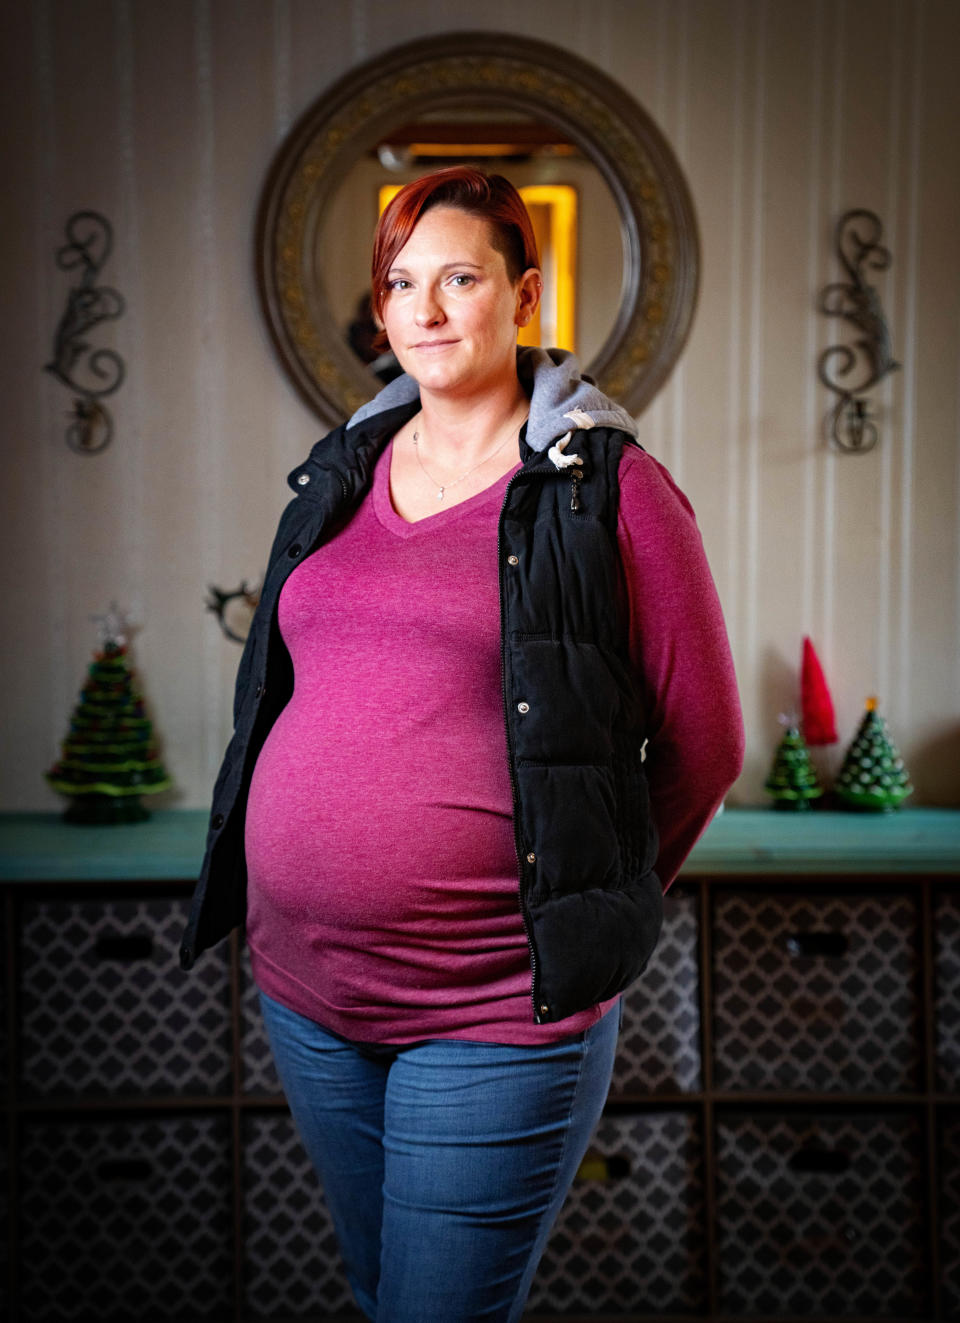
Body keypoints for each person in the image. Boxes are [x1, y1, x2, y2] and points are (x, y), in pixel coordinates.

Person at [180, 165, 744, 1322]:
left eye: (460, 278)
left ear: (526, 297)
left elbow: (708, 743)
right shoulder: (339, 477)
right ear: (378, 310)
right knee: (383, 1289)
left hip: (491, 1007)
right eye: (400, 283)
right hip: (308, 992)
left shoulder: (610, 494)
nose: (425, 309)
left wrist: (588, 902)